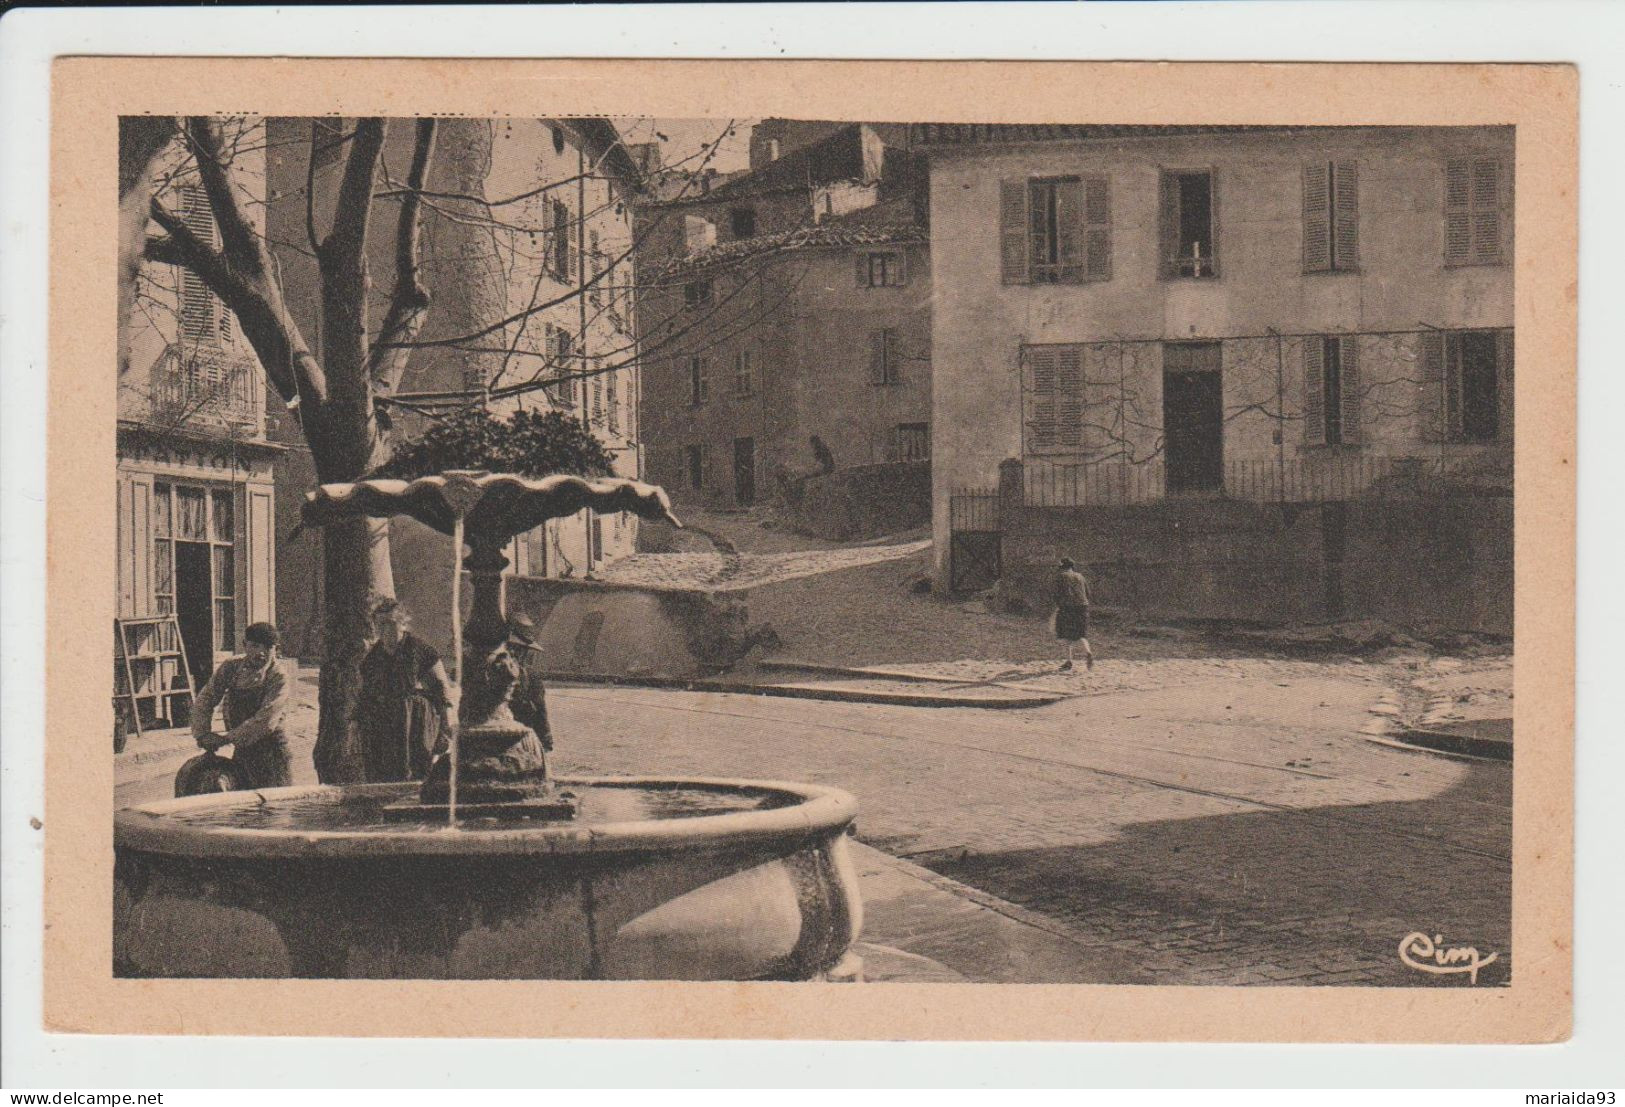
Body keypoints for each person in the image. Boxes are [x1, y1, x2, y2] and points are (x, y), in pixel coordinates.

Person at [353, 597, 457, 782]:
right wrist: (355, 728)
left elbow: (440, 690)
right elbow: (364, 695)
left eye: (390, 623)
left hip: (415, 721)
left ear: (403, 624)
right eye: (380, 624)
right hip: (382, 724)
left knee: (415, 772)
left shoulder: (419, 651)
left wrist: (445, 727)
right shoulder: (372, 658)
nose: (385, 630)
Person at [190, 621, 293, 788]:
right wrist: (202, 733)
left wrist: (225, 739)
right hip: (243, 752)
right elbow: (206, 698)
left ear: (276, 649)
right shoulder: (231, 667)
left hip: (272, 754)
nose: (260, 653)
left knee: (274, 808)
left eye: (268, 648)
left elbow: (265, 721)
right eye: (254, 645)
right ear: (245, 645)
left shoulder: (278, 676)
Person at [506, 613, 553, 752]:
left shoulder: (531, 677)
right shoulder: (488, 671)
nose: (518, 654)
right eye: (513, 648)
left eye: (521, 650)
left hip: (522, 738)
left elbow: (539, 710)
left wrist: (545, 738)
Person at [1053, 557, 1095, 673]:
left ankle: (1069, 661)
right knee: (1081, 634)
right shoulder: (1080, 576)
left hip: (1067, 608)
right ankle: (1088, 652)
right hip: (1082, 608)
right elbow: (1088, 593)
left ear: (1063, 568)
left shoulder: (1061, 577)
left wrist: (1058, 606)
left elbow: (1057, 594)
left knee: (1065, 635)